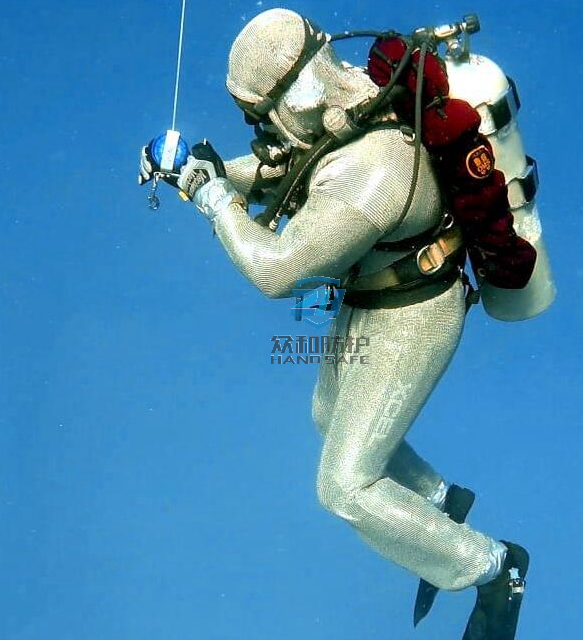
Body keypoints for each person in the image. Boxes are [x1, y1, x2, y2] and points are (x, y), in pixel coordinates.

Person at [139, 9, 535, 639]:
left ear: (290, 96)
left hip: (414, 315)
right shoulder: (346, 105)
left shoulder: (371, 167)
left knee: (345, 486)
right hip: (372, 299)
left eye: (260, 114)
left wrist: (212, 196)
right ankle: (439, 504)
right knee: (328, 416)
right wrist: (200, 170)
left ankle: (493, 566)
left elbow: (276, 269)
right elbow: (287, 173)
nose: (261, 129)